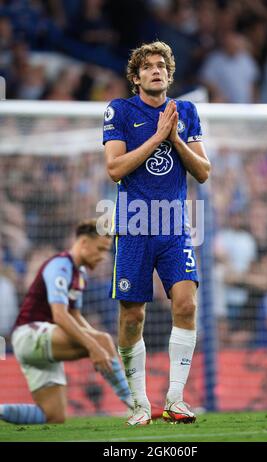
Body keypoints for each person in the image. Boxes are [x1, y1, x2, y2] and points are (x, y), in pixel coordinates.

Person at [103, 41, 210, 425]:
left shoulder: (186, 112)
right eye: (147, 66)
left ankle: (176, 399)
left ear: (169, 73)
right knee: (132, 316)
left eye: (161, 65)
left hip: (174, 227)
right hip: (133, 227)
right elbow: (114, 169)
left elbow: (203, 171)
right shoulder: (119, 110)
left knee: (186, 304)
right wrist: (156, 138)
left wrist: (175, 137)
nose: (156, 70)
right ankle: (139, 404)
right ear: (135, 77)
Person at [0, 219, 134, 425]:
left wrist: (94, 340)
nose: (102, 257)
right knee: (104, 340)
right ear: (83, 243)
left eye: (106, 251)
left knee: (53, 416)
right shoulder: (60, 265)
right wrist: (94, 345)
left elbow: (75, 315)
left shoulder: (79, 273)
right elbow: (60, 315)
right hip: (30, 334)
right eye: (99, 249)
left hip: (41, 344)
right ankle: (135, 405)